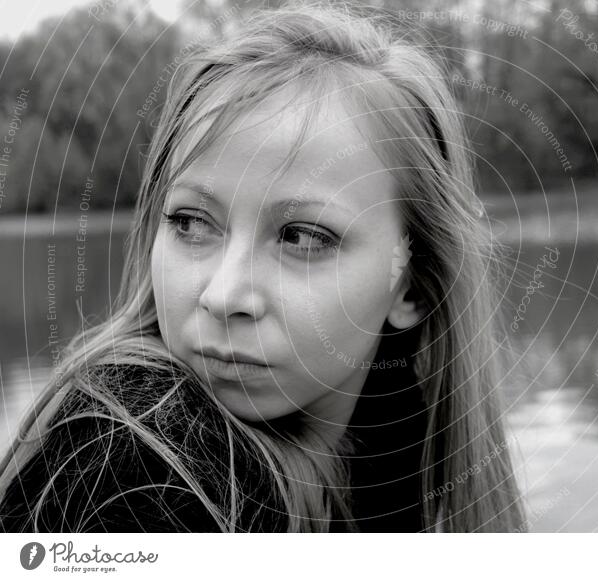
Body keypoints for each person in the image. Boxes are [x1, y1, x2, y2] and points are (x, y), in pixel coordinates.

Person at [0, 1, 527, 533]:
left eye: (301, 237)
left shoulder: (409, 472)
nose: (224, 296)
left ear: (411, 287)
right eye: (190, 222)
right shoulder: (129, 470)